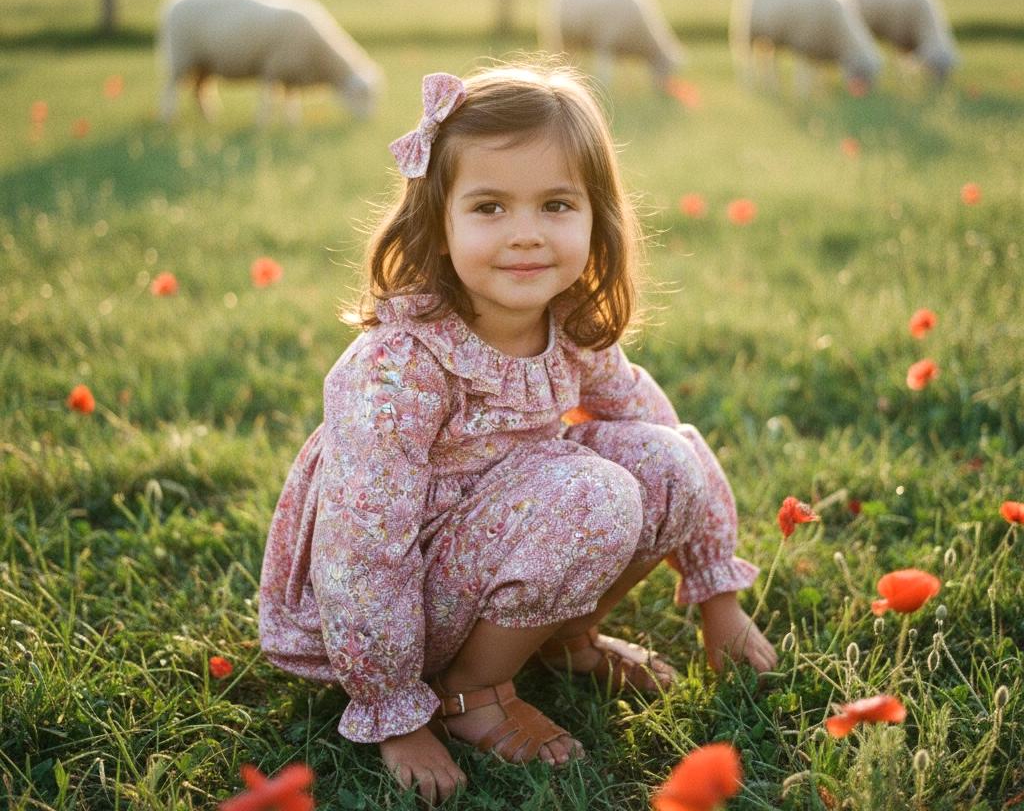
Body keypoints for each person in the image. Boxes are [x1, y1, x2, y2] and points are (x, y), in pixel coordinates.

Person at [258, 63, 777, 804]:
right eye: (490, 207)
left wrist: (715, 594)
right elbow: (362, 549)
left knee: (666, 461)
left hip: (511, 539)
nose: (526, 235)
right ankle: (470, 692)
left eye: (556, 205)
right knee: (591, 493)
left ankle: (563, 641)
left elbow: (658, 427)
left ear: (597, 218)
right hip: (398, 598)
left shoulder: (570, 325)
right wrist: (391, 708)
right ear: (439, 223)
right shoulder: (399, 368)